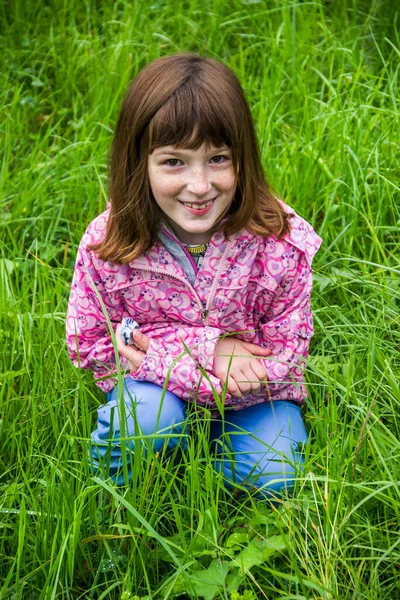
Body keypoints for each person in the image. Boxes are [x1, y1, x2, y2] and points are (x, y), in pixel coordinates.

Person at [66, 52, 322, 498]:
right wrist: (210, 352)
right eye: (174, 162)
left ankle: (201, 475)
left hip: (253, 398)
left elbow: (289, 354)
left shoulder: (281, 241)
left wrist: (158, 356)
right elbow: (92, 346)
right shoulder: (108, 244)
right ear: (138, 163)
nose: (200, 186)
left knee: (275, 472)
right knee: (143, 422)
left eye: (218, 158)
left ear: (244, 157)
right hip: (153, 395)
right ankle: (121, 502)